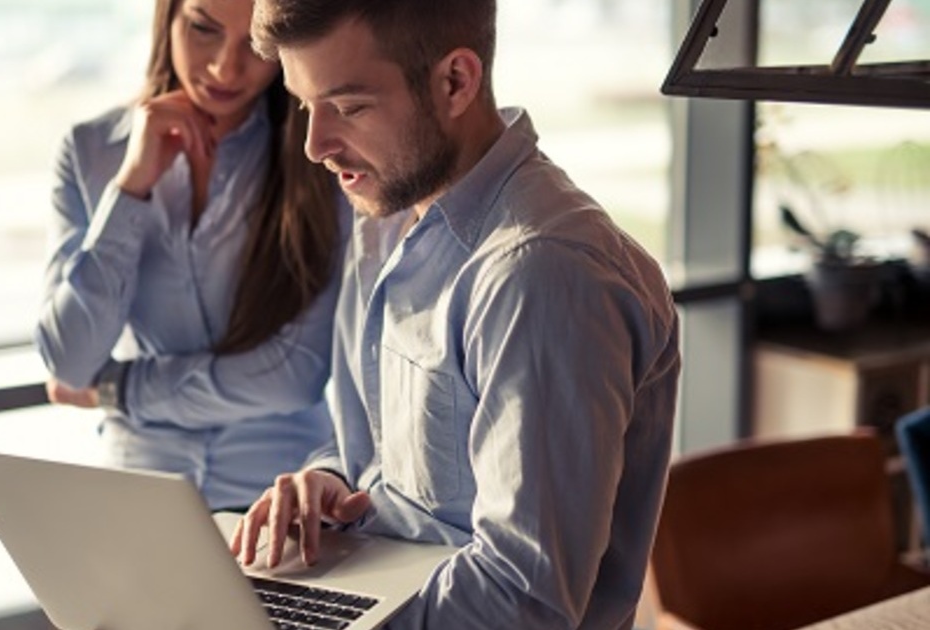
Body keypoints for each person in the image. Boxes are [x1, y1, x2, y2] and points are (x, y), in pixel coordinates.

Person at [230, 0, 682, 627]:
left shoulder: (541, 273)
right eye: (306, 106)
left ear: (455, 82)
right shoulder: (383, 220)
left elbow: (524, 598)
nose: (315, 146)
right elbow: (384, 457)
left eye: (349, 107)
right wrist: (330, 481)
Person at [35, 0, 346, 512]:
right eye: (203, 29)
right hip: (136, 500)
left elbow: (294, 376)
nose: (227, 67)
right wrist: (131, 187)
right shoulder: (89, 151)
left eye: (255, 42)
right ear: (167, 17)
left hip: (281, 506)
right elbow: (69, 363)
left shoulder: (320, 159)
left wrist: (119, 388)